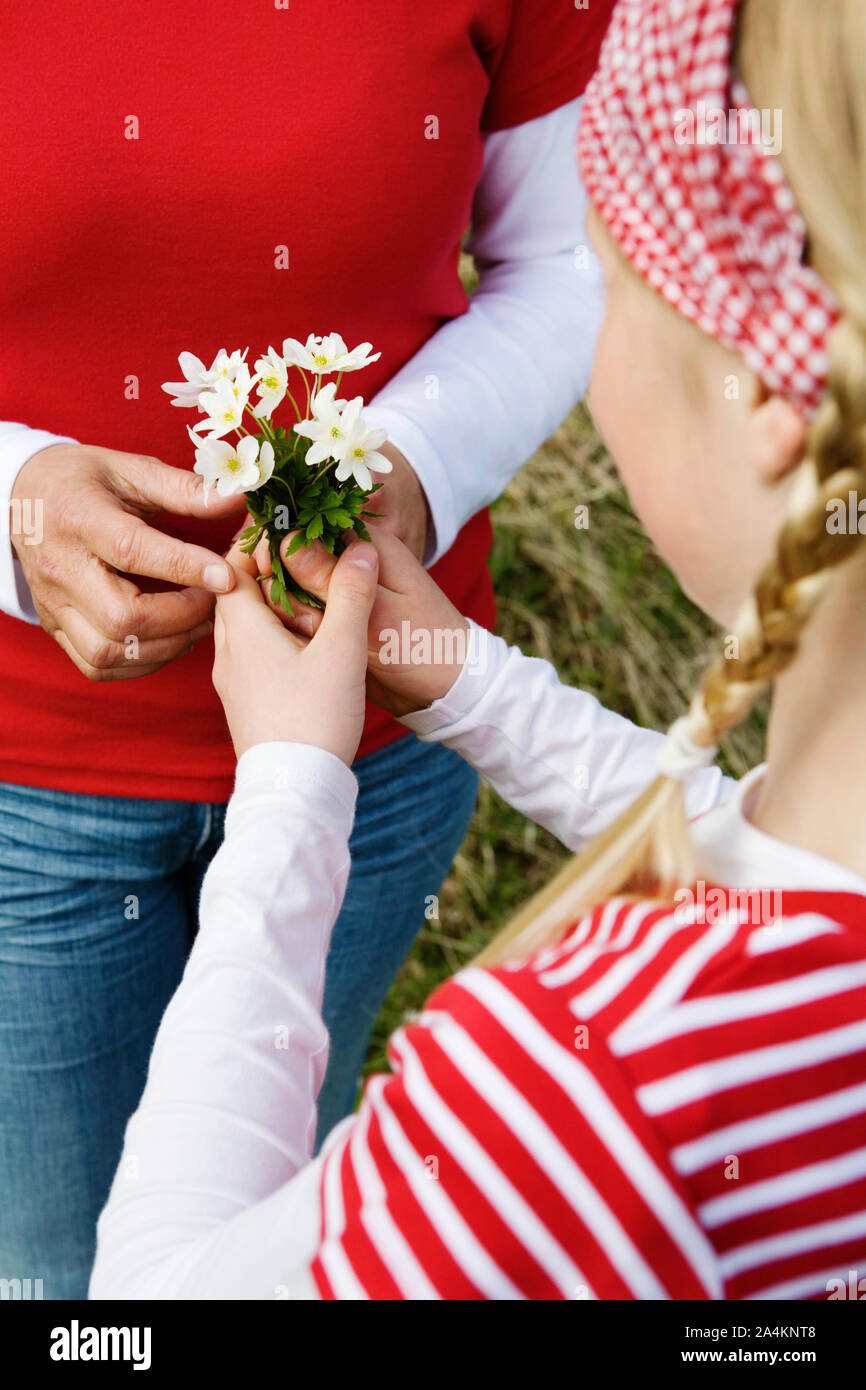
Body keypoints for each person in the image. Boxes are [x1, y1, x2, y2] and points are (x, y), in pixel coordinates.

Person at [90, 0, 866, 1300]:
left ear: (770, 403)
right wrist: (469, 680)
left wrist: (283, 784)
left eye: (615, 289)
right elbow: (769, 865)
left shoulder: (586, 1106)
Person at [0, 1, 615, 1298]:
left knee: (279, 1209)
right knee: (61, 1263)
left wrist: (411, 464)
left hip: (382, 722)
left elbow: (564, 260)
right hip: (24, 771)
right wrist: (14, 507)